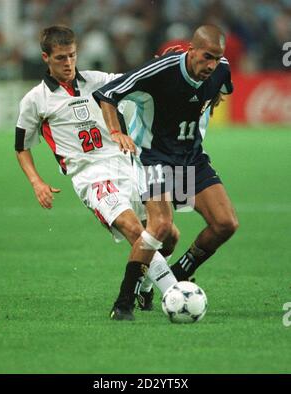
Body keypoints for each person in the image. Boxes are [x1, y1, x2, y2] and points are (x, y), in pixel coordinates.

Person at [14, 25, 180, 321]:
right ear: (45, 57)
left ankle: (143, 285)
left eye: (72, 56)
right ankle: (173, 293)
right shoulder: (35, 100)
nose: (68, 63)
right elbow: (22, 147)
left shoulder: (98, 81)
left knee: (168, 236)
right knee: (135, 232)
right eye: (61, 57)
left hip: (128, 166)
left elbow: (135, 82)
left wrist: (165, 65)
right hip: (91, 177)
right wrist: (36, 182)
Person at [93, 24, 239, 309]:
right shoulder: (159, 71)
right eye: (206, 56)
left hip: (192, 158)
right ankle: (123, 302)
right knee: (161, 226)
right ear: (191, 49)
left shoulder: (221, 68)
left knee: (225, 223)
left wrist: (206, 102)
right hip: (155, 157)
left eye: (216, 57)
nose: (212, 64)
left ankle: (178, 276)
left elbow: (222, 89)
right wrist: (116, 132)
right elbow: (106, 95)